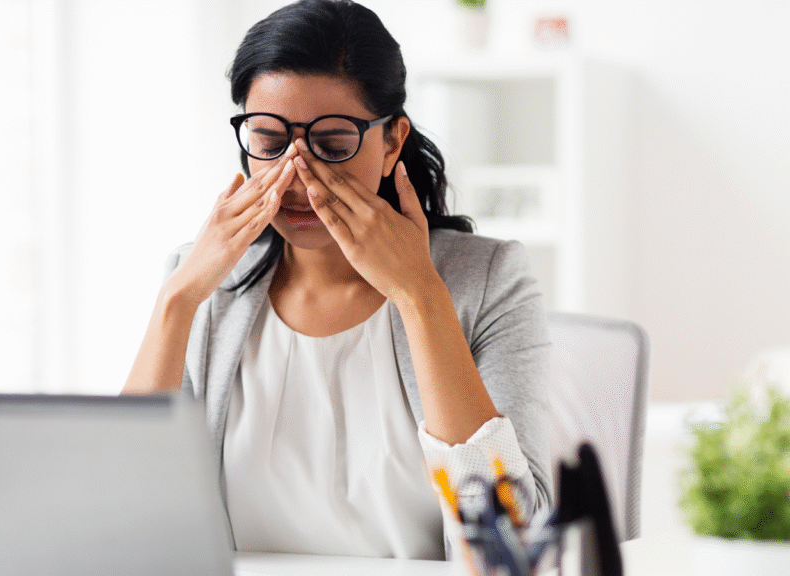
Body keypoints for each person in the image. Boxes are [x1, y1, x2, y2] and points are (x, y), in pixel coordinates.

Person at [122, 0, 551, 561]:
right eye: (269, 142)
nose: (299, 175)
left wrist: (420, 295)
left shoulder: (489, 280)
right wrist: (178, 300)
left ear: (391, 141)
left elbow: (513, 546)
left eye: (332, 144)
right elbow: (124, 517)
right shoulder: (202, 284)